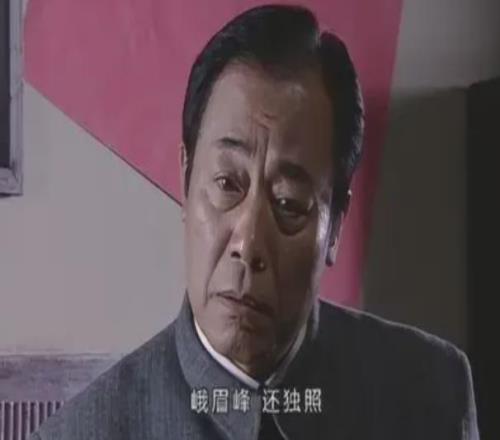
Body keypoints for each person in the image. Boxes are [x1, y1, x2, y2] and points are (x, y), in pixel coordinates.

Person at [30, 4, 479, 439]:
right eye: (227, 183)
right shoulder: (80, 433)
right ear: (186, 178)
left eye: (288, 202)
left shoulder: (431, 397)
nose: (247, 242)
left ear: (336, 225)